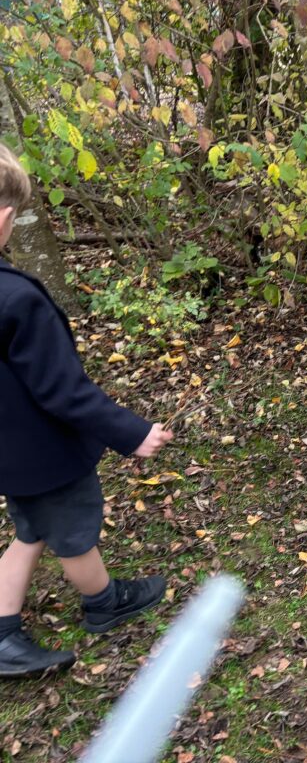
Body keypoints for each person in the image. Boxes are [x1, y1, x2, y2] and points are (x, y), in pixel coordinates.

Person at [0, 143, 173, 677]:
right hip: (43, 453)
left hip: (10, 456)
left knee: (32, 528)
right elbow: (63, 389)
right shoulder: (15, 299)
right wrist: (132, 432)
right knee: (73, 530)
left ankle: (1, 628)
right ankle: (104, 602)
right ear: (3, 219)